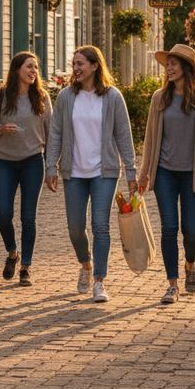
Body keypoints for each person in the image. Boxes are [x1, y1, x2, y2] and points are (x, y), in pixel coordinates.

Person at [45, 45, 137, 304]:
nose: (75, 68)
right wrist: (50, 165)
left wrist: (131, 171)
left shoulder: (112, 97)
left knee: (100, 226)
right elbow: (55, 134)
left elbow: (123, 136)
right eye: (74, 63)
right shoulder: (65, 97)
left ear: (95, 66)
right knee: (75, 228)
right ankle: (85, 264)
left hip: (104, 172)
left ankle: (99, 280)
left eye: (80, 63)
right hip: (73, 172)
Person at [137, 44, 195, 304]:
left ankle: (191, 264)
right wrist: (144, 174)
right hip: (164, 173)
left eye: (175, 64)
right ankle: (172, 284)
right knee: (169, 228)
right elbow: (150, 139)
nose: (170, 68)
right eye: (168, 64)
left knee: (191, 231)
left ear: (187, 68)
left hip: (193, 174)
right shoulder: (159, 98)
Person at [0, 51, 52, 287]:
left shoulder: (41, 97)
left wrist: (53, 165)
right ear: (16, 70)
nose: (33, 71)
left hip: (33, 161)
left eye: (35, 68)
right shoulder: (0, 97)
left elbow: (51, 133)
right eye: (29, 67)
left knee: (28, 217)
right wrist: (1, 128)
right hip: (5, 162)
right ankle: (13, 253)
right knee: (4, 215)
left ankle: (26, 267)